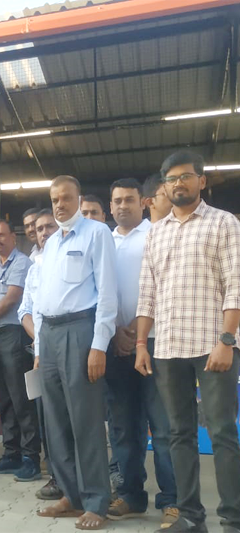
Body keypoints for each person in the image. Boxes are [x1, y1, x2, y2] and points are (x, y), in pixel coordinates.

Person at [136, 151, 240, 533]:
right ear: (164, 187)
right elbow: (147, 293)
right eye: (171, 178)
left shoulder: (224, 223)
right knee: (178, 433)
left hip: (214, 346)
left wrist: (227, 340)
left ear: (202, 181)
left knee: (222, 432)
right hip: (168, 348)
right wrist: (142, 344)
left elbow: (236, 285)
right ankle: (191, 516)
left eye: (185, 176)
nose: (178, 183)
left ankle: (233, 519)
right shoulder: (156, 232)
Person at [33, 175, 117, 531]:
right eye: (55, 199)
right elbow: (42, 298)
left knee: (85, 420)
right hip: (49, 336)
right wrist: (39, 348)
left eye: (66, 198)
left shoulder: (97, 234)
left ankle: (97, 501)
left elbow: (108, 293)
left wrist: (99, 345)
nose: (60, 204)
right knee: (56, 421)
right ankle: (71, 494)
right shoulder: (51, 243)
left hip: (80, 332)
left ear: (79, 199)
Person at [105, 177, 177, 527]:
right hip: (116, 344)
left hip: (153, 342)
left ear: (143, 203)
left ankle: (173, 500)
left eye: (129, 200)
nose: (123, 206)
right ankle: (130, 495)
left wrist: (135, 330)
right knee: (123, 426)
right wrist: (116, 331)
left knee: (162, 426)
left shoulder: (156, 234)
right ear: (110, 206)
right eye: (117, 201)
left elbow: (164, 285)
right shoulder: (105, 240)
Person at [0, 220, 39, 482]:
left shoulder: (21, 263)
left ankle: (31, 458)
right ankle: (11, 454)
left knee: (21, 399)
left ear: (13, 237)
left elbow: (12, 298)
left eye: (2, 235)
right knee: (3, 400)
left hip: (13, 335)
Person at [17, 208, 64, 501]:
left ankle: (81, 480)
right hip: (42, 353)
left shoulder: (72, 261)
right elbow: (25, 310)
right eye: (39, 229)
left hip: (70, 349)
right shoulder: (34, 268)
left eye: (50, 227)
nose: (44, 232)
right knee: (49, 417)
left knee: (72, 417)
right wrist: (40, 340)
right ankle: (57, 478)